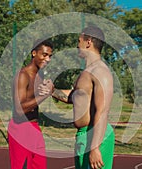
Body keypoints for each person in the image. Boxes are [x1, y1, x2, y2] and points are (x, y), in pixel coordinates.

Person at [51, 26, 115, 169]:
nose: (77, 44)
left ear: (88, 42)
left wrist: (95, 147)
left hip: (96, 136)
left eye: (79, 40)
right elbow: (75, 97)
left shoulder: (100, 71)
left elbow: (103, 111)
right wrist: (52, 91)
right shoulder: (86, 72)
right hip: (83, 136)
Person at [8, 39, 54, 169]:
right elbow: (19, 108)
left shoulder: (39, 75)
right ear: (34, 53)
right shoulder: (22, 75)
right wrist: (44, 95)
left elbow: (40, 95)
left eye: (50, 56)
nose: (48, 59)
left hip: (34, 127)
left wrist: (52, 90)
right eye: (44, 55)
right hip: (20, 128)